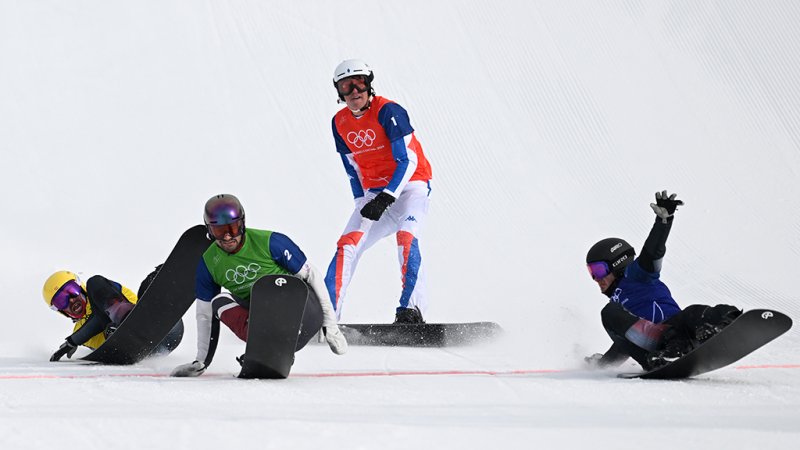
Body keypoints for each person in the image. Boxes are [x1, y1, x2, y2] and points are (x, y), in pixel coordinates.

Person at [171, 194, 347, 377]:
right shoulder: (208, 263)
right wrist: (201, 361)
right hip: (259, 318)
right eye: (219, 231)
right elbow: (204, 314)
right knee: (219, 301)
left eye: (232, 228)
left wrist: (330, 323)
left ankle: (278, 340)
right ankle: (264, 345)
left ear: (242, 224)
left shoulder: (271, 242)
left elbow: (313, 276)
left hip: (303, 313)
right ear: (209, 231)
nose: (228, 236)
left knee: (278, 286)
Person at [325, 59, 433, 324]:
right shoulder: (339, 122)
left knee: (406, 238)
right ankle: (328, 315)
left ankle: (411, 310)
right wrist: (363, 201)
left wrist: (387, 196)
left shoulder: (389, 111)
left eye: (359, 83)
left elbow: (408, 160)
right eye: (345, 86)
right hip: (376, 195)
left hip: (410, 188)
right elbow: (352, 169)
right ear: (338, 91)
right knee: (347, 246)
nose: (354, 92)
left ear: (369, 84)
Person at [584, 190, 741, 371]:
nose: (597, 279)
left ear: (618, 264)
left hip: (681, 329)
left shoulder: (635, 275)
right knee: (609, 314)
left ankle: (727, 322)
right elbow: (623, 345)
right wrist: (601, 365)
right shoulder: (617, 307)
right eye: (592, 273)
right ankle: (663, 356)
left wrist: (663, 222)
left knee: (693, 312)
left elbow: (652, 254)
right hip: (655, 349)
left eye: (599, 270)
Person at [41, 268, 183, 361]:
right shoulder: (79, 330)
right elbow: (102, 335)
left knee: (95, 282)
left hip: (167, 330)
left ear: (80, 287)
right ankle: (122, 326)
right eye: (61, 301)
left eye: (72, 291)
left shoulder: (104, 292)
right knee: (108, 327)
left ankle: (171, 275)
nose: (71, 299)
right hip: (141, 349)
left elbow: (99, 316)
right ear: (60, 311)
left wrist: (73, 341)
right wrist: (76, 338)